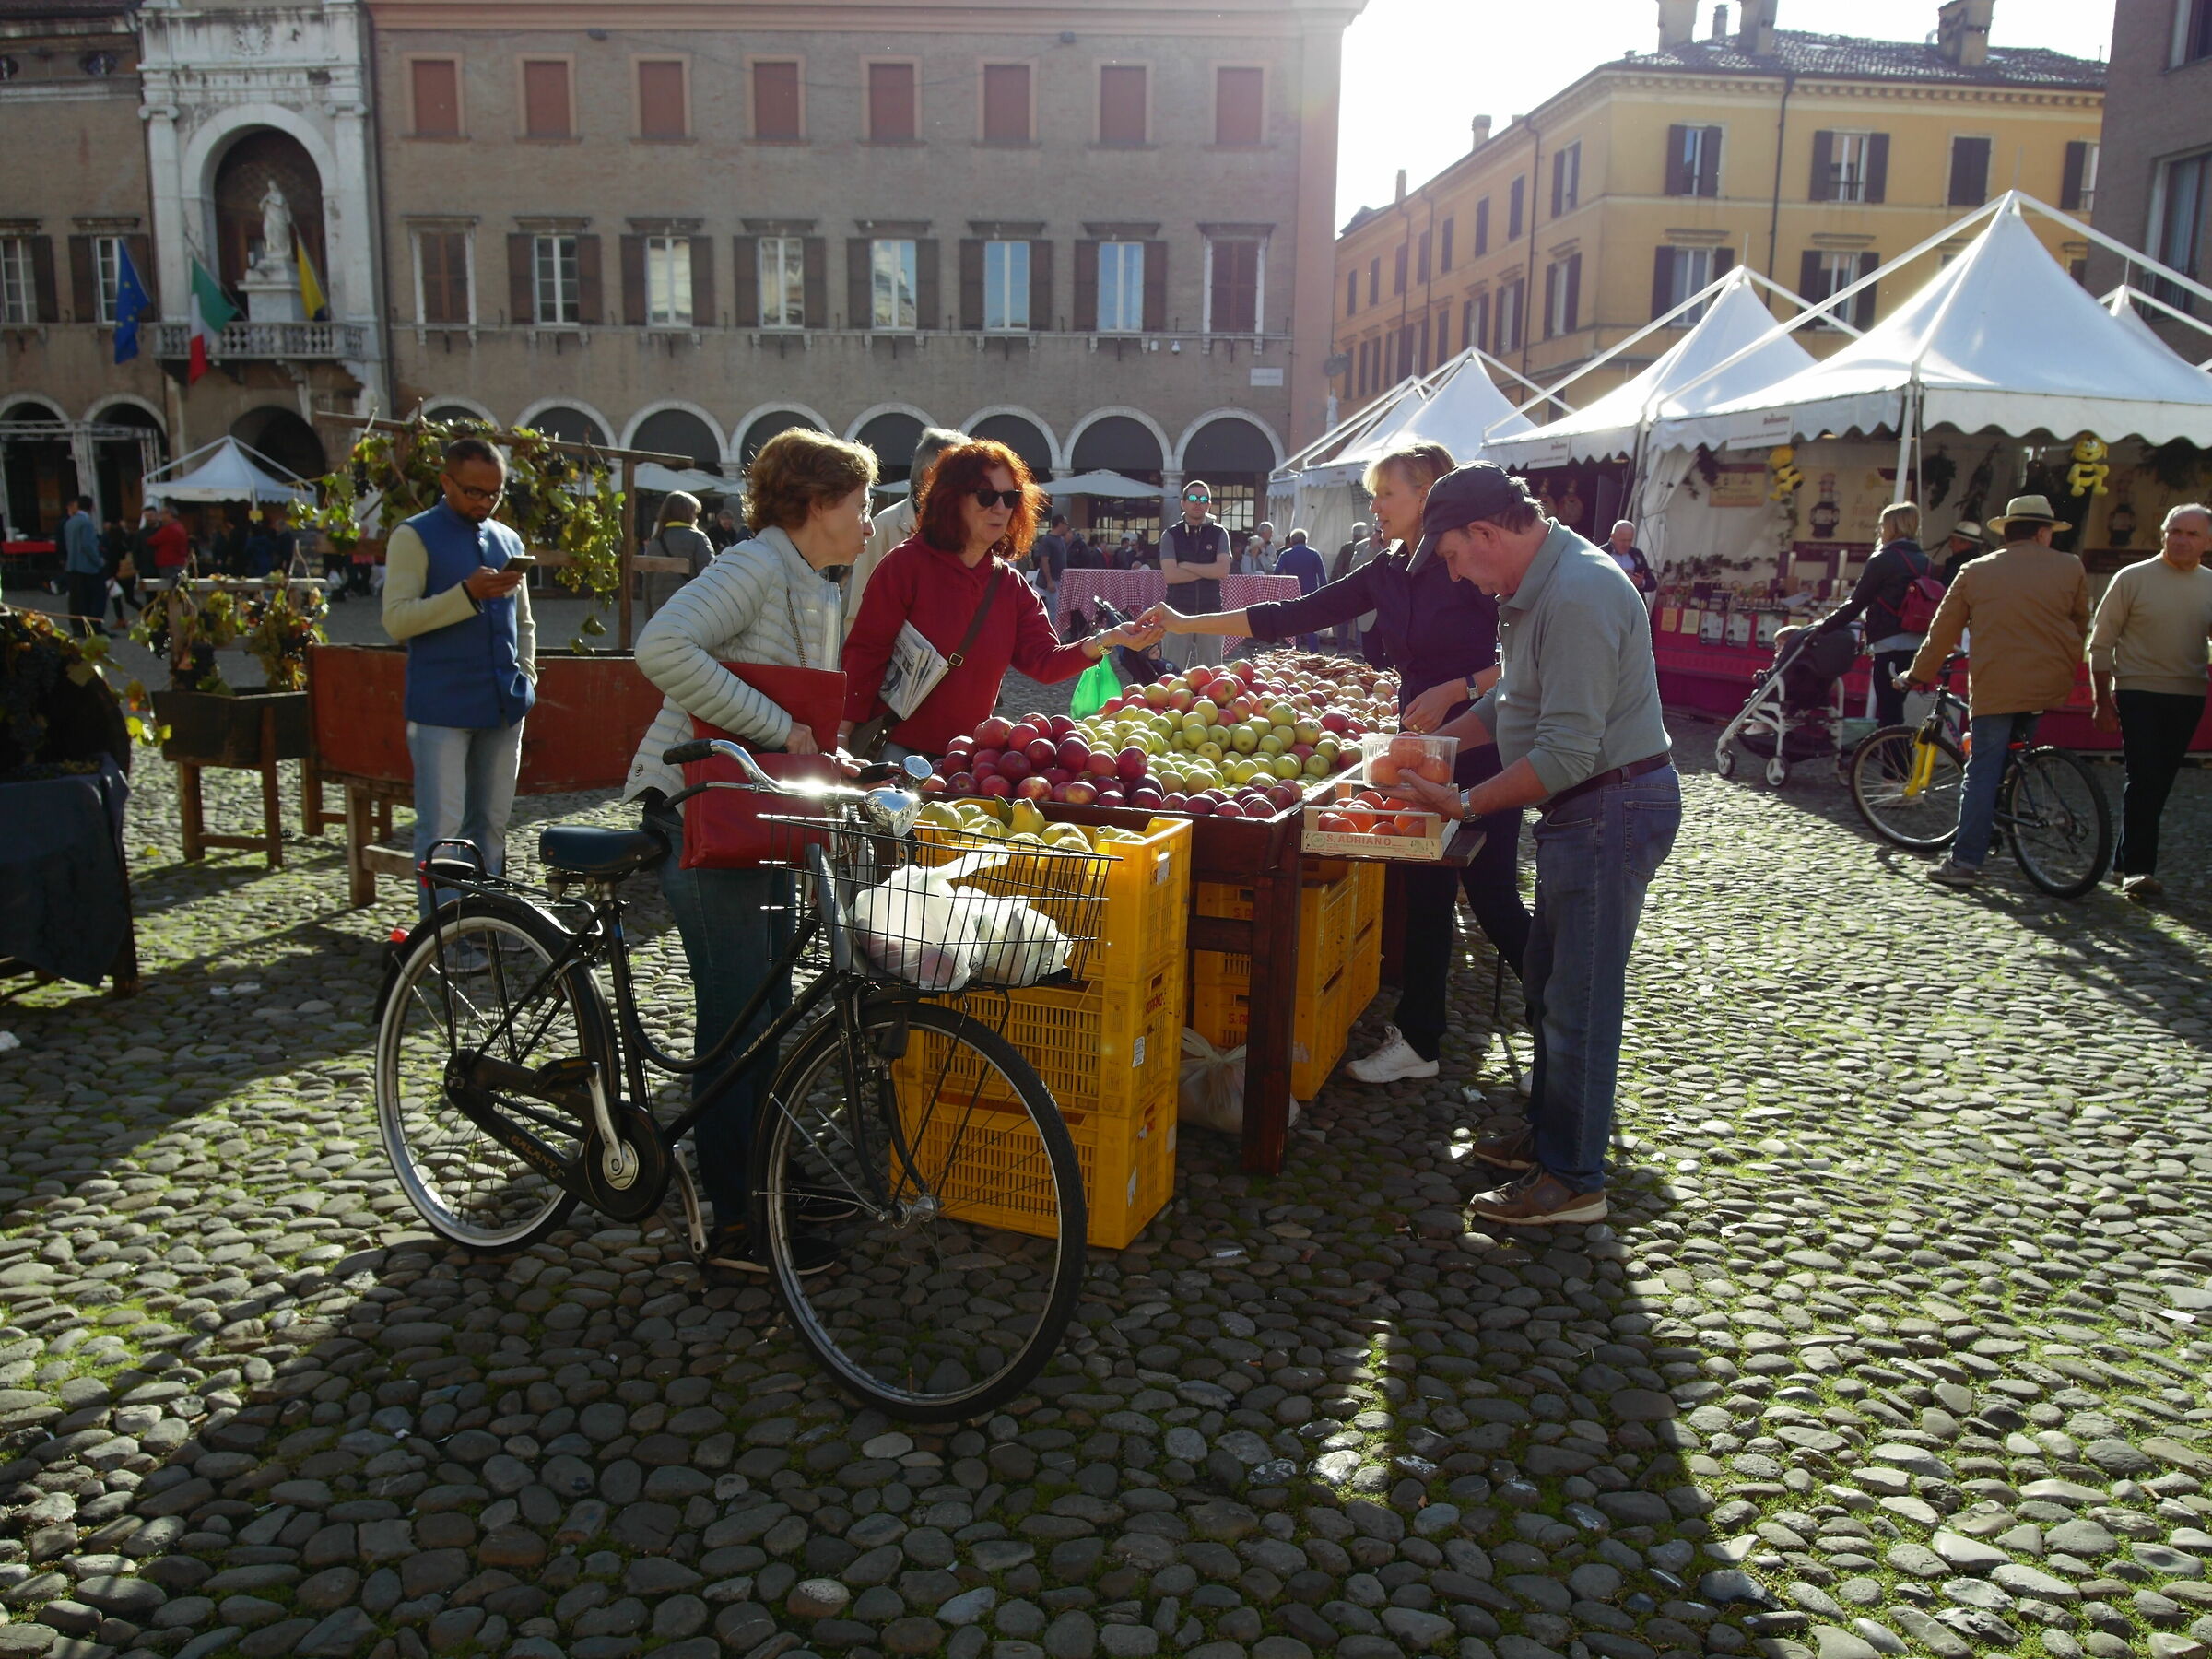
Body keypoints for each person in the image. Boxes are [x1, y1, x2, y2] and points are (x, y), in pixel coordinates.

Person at [1145, 442, 1531, 1085]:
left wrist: (1458, 687)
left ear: (1429, 497)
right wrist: (1187, 618)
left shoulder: (1469, 565)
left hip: (1484, 744)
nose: (1374, 506)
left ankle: (1564, 1027)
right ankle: (1420, 1039)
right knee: (1424, 888)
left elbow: (1521, 662)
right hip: (1420, 748)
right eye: (1374, 493)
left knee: (1491, 896)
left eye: (1386, 493)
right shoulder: (1387, 568)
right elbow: (1292, 615)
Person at [1389, 464, 1678, 1227]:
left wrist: (1461, 800)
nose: (1454, 574)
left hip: (1611, 804)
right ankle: (1553, 1137)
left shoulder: (1577, 594)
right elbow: (1512, 698)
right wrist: (1430, 749)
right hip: (1591, 806)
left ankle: (1574, 1178)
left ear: (1486, 534)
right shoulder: (1540, 586)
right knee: (1550, 980)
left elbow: (1567, 753)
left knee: (1579, 1000)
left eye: (1451, 555)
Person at [622, 429, 873, 1277]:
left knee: (769, 1018)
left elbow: (784, 696)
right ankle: (736, 1221)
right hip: (697, 812)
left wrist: (818, 755)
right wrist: (779, 732)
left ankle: (767, 1178)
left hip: (751, 815)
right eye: (861, 502)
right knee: (738, 1025)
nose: (870, 522)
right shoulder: (758, 564)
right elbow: (661, 648)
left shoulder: (813, 578)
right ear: (816, 504)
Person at [842, 440, 1160, 759]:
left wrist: (1108, 639)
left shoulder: (1010, 586)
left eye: (1010, 498)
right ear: (952, 499)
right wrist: (842, 733)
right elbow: (866, 652)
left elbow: (1044, 662)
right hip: (896, 750)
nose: (1000, 508)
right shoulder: (906, 565)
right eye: (985, 496)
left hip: (967, 759)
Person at [382, 437, 536, 919]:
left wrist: (528, 676)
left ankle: (490, 926)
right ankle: (445, 940)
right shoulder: (414, 536)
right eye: (473, 492)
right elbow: (397, 621)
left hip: (503, 704)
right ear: (446, 481)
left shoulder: (508, 539)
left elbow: (524, 622)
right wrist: (465, 594)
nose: (484, 502)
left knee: (491, 824)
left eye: (494, 493)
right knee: (443, 830)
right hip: (440, 708)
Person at [1902, 494, 2089, 889]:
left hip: (1996, 684)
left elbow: (1943, 632)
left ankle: (1966, 860)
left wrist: (1918, 673)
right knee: (2014, 755)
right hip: (2047, 682)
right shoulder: (2070, 566)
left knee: (1983, 770)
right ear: (2043, 533)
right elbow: (2080, 621)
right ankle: (2005, 823)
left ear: (2007, 531)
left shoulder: (1976, 570)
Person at [2088, 502, 2212, 900]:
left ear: (2207, 542)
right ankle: (2140, 870)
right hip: (2137, 690)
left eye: (2192, 534)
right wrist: (2101, 701)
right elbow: (2101, 641)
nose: (2181, 540)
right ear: (2162, 534)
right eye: (2175, 531)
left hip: (2188, 692)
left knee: (2160, 782)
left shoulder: (2209, 584)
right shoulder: (2132, 578)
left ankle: (2125, 861)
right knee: (2144, 777)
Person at [1811, 501, 1936, 728]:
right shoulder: (1925, 562)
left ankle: (1893, 760)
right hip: (1916, 640)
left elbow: (1857, 602)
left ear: (1890, 527)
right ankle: (1894, 758)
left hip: (1890, 641)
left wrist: (1822, 628)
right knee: (1895, 706)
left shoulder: (1883, 559)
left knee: (1888, 711)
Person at [848, 425, 962, 638]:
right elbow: (859, 614)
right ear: (930, 475)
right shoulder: (884, 527)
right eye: (963, 478)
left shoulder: (969, 528)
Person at [1160, 481, 1232, 667]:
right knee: (1171, 674)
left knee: (1212, 674)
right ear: (1183, 503)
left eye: (1203, 499)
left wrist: (1186, 565)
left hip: (1211, 611)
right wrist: (1209, 570)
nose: (1198, 503)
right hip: (1176, 611)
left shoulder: (1219, 533)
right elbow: (1171, 576)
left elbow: (1223, 571)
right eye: (1193, 498)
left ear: (1209, 504)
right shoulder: (1170, 535)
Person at [641, 491, 715, 620]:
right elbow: (711, 578)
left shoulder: (655, 541)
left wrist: (649, 617)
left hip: (659, 612)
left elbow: (647, 584)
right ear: (689, 514)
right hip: (690, 611)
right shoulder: (697, 539)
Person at [1275, 527, 1327, 651]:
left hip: (1291, 593)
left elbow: (1276, 573)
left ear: (1292, 541)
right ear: (1306, 540)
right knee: (1311, 625)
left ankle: (1293, 652)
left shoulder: (1285, 555)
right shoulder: (1314, 554)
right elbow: (1322, 576)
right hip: (1311, 593)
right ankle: (1313, 654)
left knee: (1292, 625)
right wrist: (1324, 594)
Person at [1332, 521, 1380, 652]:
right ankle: (1359, 647)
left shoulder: (1346, 547)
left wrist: (1334, 583)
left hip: (1347, 586)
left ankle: (1343, 648)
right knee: (1361, 618)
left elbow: (1337, 567)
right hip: (1355, 587)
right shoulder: (1362, 546)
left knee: (1346, 620)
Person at [62, 496, 106, 632]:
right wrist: (99, 561)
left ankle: (78, 627)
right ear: (92, 507)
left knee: (78, 600)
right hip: (88, 568)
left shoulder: (69, 522)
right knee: (96, 599)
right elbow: (88, 546)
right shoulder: (86, 523)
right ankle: (94, 627)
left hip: (73, 566)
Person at [1606, 520, 1659, 613]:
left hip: (1633, 610)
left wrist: (1641, 582)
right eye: (1623, 540)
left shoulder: (1637, 554)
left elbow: (1653, 584)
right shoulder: (1601, 553)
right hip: (1609, 608)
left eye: (1629, 540)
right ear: (1612, 537)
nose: (1626, 544)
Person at [147, 503, 190, 588]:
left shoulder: (169, 529)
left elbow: (152, 541)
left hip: (169, 565)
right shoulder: (179, 526)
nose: (160, 516)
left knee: (170, 590)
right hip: (177, 563)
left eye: (162, 513)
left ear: (169, 514)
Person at [1939, 518, 1994, 583]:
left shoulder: (1959, 567)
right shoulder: (1980, 565)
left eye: (1953, 541)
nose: (1950, 545)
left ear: (1966, 543)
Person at [1031, 512, 1070, 600]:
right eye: (1066, 524)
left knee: (1058, 607)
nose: (1067, 527)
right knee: (1054, 608)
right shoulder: (1047, 540)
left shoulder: (1061, 539)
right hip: (1053, 580)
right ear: (1060, 524)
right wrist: (1049, 581)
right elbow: (1044, 561)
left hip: (1060, 579)